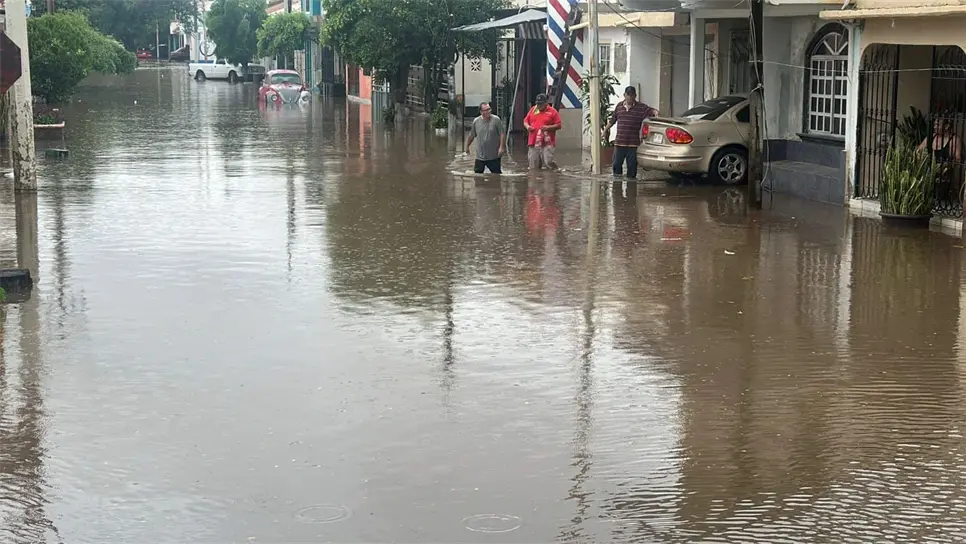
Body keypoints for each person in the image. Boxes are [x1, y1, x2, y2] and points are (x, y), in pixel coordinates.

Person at [601, 86, 657, 179]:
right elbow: (612, 120)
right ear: (624, 95)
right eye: (628, 95)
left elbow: (652, 111)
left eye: (632, 95)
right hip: (619, 143)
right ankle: (617, 185)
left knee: (632, 169)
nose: (630, 97)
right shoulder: (619, 106)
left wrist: (655, 112)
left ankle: (631, 187)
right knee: (616, 166)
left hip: (633, 145)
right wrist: (605, 131)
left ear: (635, 96)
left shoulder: (641, 108)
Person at [523, 93, 562, 170]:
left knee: (549, 162)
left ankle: (556, 173)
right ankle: (536, 177)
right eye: (537, 104)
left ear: (546, 103)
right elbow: (525, 121)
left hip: (547, 143)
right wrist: (528, 127)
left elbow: (559, 125)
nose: (539, 106)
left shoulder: (552, 111)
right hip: (533, 142)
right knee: (533, 166)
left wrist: (548, 127)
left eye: (541, 104)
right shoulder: (533, 109)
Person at [465, 102, 506, 174]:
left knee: (496, 176)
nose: (489, 111)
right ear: (481, 112)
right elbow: (472, 135)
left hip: (494, 155)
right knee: (477, 176)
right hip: (480, 156)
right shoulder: (476, 121)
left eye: (489, 109)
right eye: (486, 110)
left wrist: (501, 147)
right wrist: (467, 146)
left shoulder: (496, 120)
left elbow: (502, 134)